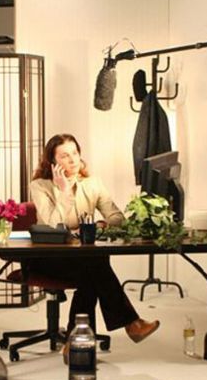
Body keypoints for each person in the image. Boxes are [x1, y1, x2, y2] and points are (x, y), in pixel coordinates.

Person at [26, 134, 160, 359]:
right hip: (48, 257)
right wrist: (64, 192)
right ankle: (131, 323)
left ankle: (75, 342)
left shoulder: (93, 183)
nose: (72, 160)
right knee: (95, 265)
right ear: (52, 161)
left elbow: (117, 218)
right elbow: (53, 224)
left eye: (75, 153)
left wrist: (100, 224)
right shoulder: (40, 186)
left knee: (90, 272)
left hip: (82, 259)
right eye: (64, 156)